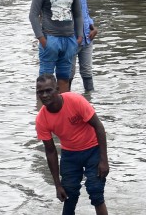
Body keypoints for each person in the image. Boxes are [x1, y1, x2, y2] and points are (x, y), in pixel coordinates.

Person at [35, 74, 109, 214]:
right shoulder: (41, 119)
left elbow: (99, 127)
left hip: (93, 149)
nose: (44, 95)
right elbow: (50, 152)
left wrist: (104, 160)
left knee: (95, 191)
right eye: (40, 92)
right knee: (68, 194)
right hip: (70, 154)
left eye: (48, 90)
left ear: (57, 89)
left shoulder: (76, 101)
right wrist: (57, 185)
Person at [29, 0, 83, 93]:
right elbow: (33, 15)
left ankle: (62, 112)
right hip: (50, 38)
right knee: (45, 82)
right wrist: (41, 38)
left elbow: (77, 14)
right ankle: (42, 113)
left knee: (64, 79)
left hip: (69, 39)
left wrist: (79, 37)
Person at [69, 0, 99, 93]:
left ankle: (89, 101)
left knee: (87, 71)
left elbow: (85, 12)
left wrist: (93, 27)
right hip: (73, 39)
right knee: (69, 73)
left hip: (87, 37)